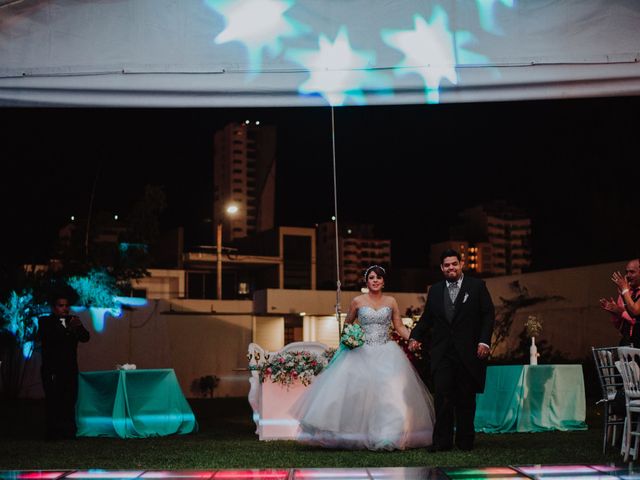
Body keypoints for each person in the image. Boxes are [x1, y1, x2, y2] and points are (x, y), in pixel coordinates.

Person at [291, 265, 435, 450]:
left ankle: (387, 435)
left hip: (386, 352)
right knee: (356, 395)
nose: (375, 280)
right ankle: (353, 435)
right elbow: (348, 325)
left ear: (383, 281)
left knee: (389, 395)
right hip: (361, 352)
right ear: (367, 281)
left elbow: (399, 326)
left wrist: (413, 338)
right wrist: (351, 338)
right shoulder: (357, 301)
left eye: (379, 277)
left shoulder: (391, 301)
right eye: (372, 277)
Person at [409, 249, 495, 452]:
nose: (451, 268)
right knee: (442, 398)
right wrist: (415, 336)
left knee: (465, 399)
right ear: (441, 268)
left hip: (468, 353)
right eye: (447, 265)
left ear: (461, 264)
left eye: (454, 264)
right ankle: (442, 442)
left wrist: (484, 342)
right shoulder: (436, 290)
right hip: (442, 354)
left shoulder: (477, 286)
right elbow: (427, 318)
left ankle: (465, 442)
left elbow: (488, 315)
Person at [37, 294, 90, 440]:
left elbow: (85, 337)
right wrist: (68, 329)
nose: (65, 309)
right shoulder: (45, 321)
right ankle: (53, 433)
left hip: (70, 369)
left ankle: (68, 432)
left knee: (69, 400)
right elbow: (51, 338)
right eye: (61, 305)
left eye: (66, 305)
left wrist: (77, 327)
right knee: (54, 400)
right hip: (52, 369)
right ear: (54, 308)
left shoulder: (73, 321)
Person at [600, 259, 640, 346]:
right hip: (627, 341)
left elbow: (635, 316)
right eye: (627, 272)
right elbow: (619, 326)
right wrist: (615, 313)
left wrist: (621, 312)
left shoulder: (625, 292)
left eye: (632, 272)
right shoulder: (625, 293)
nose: (628, 275)